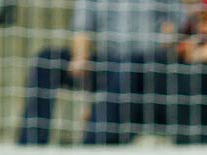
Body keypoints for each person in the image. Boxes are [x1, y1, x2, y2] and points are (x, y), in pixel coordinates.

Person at [16, 0, 180, 146]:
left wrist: (168, 38)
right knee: (46, 61)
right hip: (108, 61)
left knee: (128, 65)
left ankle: (89, 148)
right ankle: (31, 144)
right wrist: (80, 58)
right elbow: (82, 29)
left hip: (148, 66)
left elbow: (177, 27)